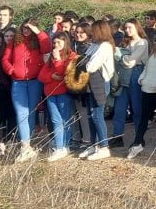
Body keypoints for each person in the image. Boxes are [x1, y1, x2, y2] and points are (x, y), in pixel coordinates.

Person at [3, 19, 50, 163]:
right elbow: (5, 59)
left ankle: (28, 143)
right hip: (18, 82)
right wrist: (12, 70)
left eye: (29, 28)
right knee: (21, 112)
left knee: (31, 112)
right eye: (24, 27)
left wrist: (37, 31)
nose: (26, 30)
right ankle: (25, 146)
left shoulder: (38, 41)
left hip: (35, 81)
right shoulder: (15, 42)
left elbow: (47, 47)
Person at [130, 31, 156, 158]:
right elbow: (147, 68)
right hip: (153, 89)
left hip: (155, 89)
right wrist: (142, 79)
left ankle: (140, 142)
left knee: (155, 117)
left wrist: (143, 80)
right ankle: (147, 142)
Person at [79, 20, 115, 161]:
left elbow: (90, 66)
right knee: (90, 115)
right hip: (90, 84)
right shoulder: (95, 45)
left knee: (97, 115)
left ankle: (104, 146)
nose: (90, 33)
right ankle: (94, 145)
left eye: (93, 30)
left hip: (99, 83)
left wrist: (83, 64)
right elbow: (83, 60)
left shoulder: (105, 46)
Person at [38, 32, 76, 162]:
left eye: (59, 42)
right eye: (54, 43)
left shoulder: (71, 56)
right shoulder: (50, 58)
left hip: (63, 92)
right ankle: (60, 147)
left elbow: (63, 73)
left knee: (65, 119)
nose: (56, 45)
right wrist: (52, 76)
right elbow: (42, 76)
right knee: (55, 120)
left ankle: (65, 145)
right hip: (50, 93)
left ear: (66, 42)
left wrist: (58, 60)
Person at [112, 19, 148, 147]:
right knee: (119, 108)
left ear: (137, 27)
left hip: (136, 74)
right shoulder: (125, 42)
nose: (127, 30)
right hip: (124, 76)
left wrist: (120, 56)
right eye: (126, 28)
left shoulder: (143, 43)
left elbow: (131, 61)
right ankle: (117, 137)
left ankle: (139, 138)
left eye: (130, 27)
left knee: (137, 109)